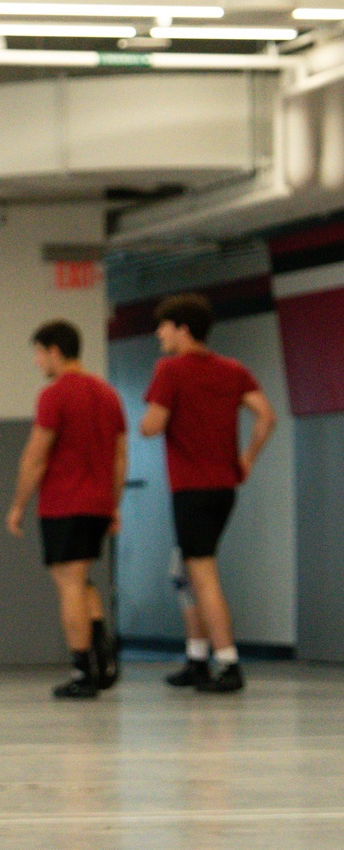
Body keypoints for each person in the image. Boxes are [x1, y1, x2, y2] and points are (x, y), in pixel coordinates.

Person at [141, 293, 276, 693]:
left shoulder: (170, 370)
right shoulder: (233, 370)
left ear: (182, 329)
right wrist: (246, 458)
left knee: (202, 573)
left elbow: (152, 424)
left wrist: (152, 416)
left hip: (192, 488)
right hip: (222, 487)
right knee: (182, 572)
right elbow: (265, 416)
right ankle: (197, 659)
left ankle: (228, 662)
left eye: (163, 326)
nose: (158, 333)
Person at [7, 320, 127, 700]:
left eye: (39, 353)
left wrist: (18, 505)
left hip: (64, 504)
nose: (38, 362)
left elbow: (35, 456)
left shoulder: (54, 394)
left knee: (69, 584)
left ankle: (82, 670)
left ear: (54, 351)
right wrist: (114, 503)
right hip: (97, 504)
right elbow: (120, 457)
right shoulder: (109, 395)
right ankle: (102, 658)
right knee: (83, 579)